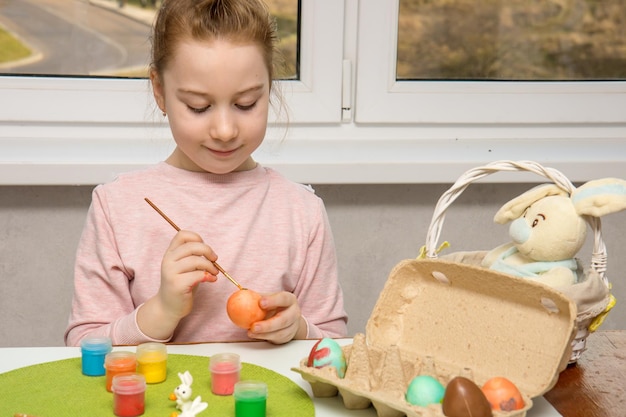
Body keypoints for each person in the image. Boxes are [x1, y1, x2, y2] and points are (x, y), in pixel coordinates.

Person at [65, 0, 347, 346]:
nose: (225, 130)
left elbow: (335, 345)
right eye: (199, 107)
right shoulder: (117, 207)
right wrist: (161, 311)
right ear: (159, 91)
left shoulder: (302, 212)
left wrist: (299, 329)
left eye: (246, 104)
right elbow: (83, 346)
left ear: (269, 87)